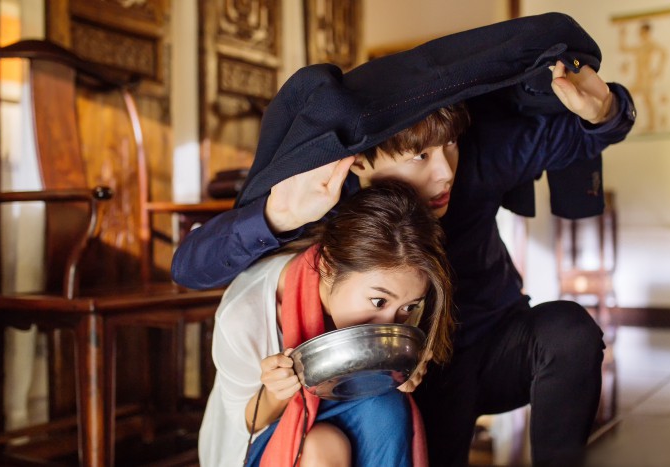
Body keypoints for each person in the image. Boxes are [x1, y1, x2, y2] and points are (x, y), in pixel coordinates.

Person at [178, 13, 637, 466]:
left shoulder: (480, 159)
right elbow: (190, 268)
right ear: (360, 162)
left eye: (450, 145)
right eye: (419, 155)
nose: (445, 173)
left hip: (495, 342)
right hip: (413, 376)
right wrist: (277, 215)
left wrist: (605, 112)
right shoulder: (328, 202)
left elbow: (581, 134)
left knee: (569, 333)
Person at [198, 180, 456, 467]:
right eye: (378, 302)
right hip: (253, 440)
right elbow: (246, 423)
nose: (390, 324)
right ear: (328, 266)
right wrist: (275, 393)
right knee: (325, 444)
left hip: (348, 409)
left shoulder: (398, 289)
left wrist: (402, 371)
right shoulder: (245, 313)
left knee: (385, 408)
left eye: (408, 307)